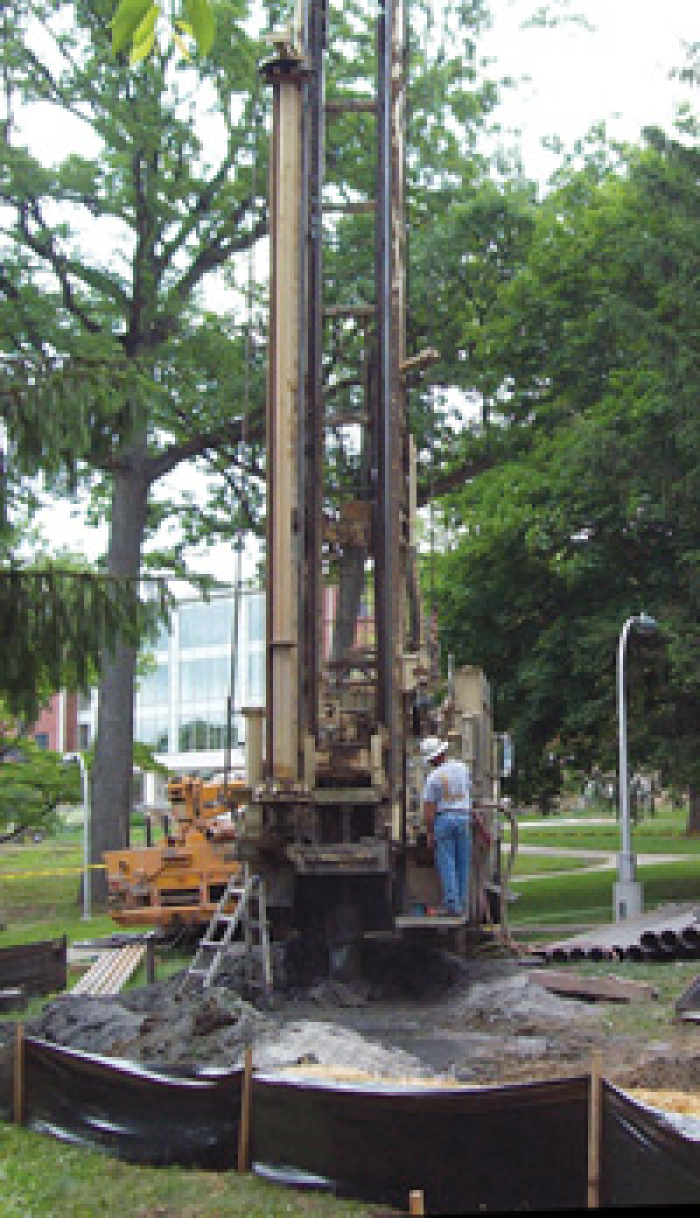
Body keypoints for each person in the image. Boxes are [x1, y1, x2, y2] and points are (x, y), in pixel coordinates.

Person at [421, 737, 471, 917]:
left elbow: (429, 808)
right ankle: (462, 904)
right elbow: (468, 792)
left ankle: (452, 905)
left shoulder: (433, 777)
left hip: (444, 819)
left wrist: (429, 832)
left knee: (447, 863)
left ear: (433, 758)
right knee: (463, 863)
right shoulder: (462, 768)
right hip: (464, 817)